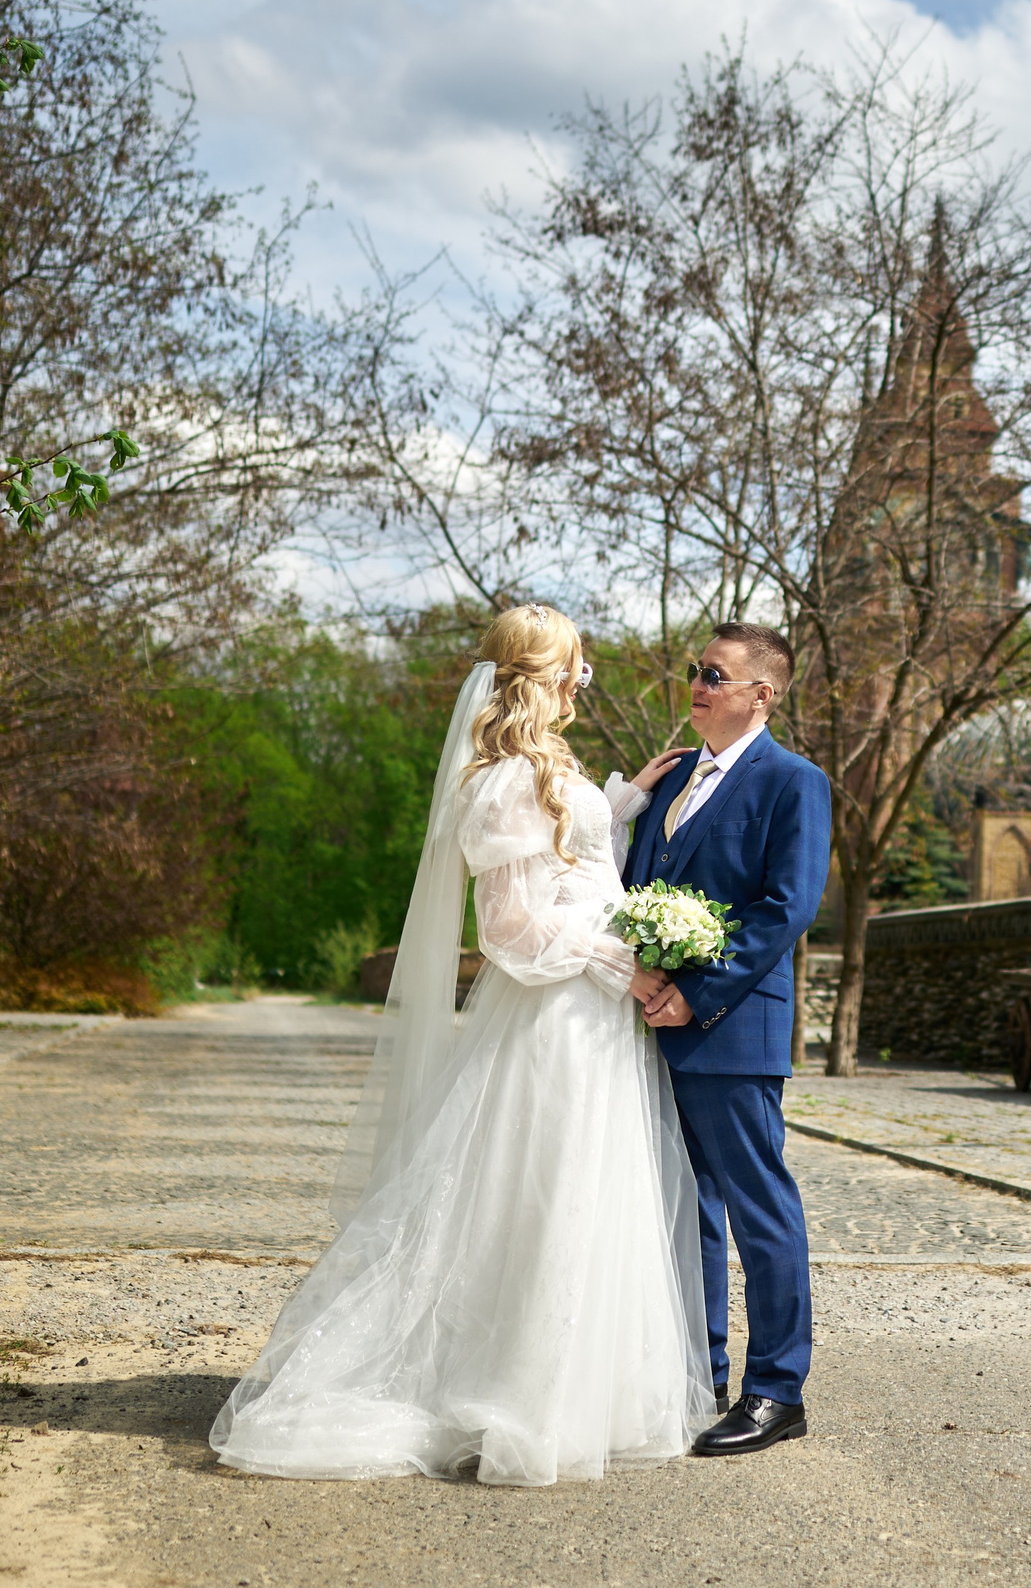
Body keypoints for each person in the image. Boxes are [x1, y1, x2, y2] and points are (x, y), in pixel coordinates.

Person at [209, 606, 712, 1485]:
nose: (581, 685)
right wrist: (620, 962)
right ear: (540, 679)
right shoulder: (503, 779)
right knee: (541, 1194)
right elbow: (515, 930)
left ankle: (586, 1389)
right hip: (556, 1015)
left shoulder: (544, 767)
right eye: (575, 671)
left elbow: (576, 865)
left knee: (585, 1193)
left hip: (592, 1014)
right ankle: (517, 1393)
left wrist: (622, 801)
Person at [625, 621, 832, 1457]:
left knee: (759, 1206)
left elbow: (787, 907)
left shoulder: (794, 780)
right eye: (695, 671)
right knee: (686, 1207)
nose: (699, 685)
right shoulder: (674, 779)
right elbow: (636, 884)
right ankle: (699, 1370)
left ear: (762, 695)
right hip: (651, 1026)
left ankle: (778, 1389)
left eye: (716, 674)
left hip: (731, 1029)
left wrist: (697, 994)